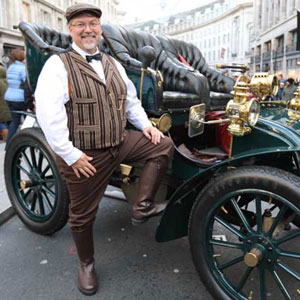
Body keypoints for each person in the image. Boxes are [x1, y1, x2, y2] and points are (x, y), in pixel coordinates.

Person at [35, 3, 173, 296]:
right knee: (82, 216)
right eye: (80, 24)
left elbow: (130, 100)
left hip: (119, 142)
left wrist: (146, 125)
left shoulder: (113, 63)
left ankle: (142, 206)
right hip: (85, 153)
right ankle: (86, 264)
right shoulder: (58, 65)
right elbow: (49, 115)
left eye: (93, 24)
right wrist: (71, 155)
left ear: (99, 28)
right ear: (70, 29)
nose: (88, 29)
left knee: (163, 145)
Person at [4, 49, 26, 148]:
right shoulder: (22, 68)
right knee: (27, 120)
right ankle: (26, 141)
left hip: (9, 97)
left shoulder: (10, 67)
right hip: (20, 97)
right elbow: (26, 83)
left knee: (15, 121)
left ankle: (8, 145)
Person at [0, 64, 11, 141]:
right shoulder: (7, 80)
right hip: (8, 104)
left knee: (1, 123)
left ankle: (6, 137)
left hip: (1, 106)